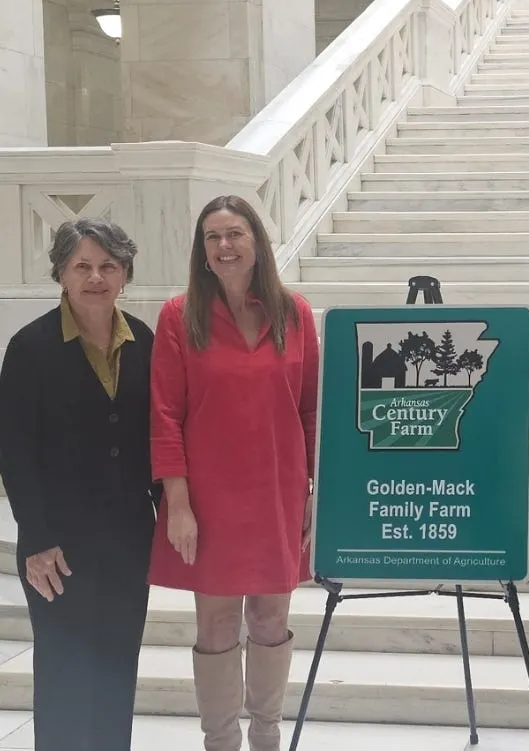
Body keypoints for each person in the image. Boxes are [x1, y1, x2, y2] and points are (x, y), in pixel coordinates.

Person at [149, 195, 319, 751]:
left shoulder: (295, 314)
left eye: (234, 234)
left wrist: (316, 494)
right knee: (217, 627)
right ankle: (220, 742)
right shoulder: (179, 315)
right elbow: (165, 413)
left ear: (256, 243)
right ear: (201, 251)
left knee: (271, 619)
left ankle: (267, 738)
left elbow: (311, 410)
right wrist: (178, 504)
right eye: (212, 238)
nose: (224, 247)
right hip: (210, 499)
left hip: (278, 489)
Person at [0, 218, 157, 751]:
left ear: (125, 273)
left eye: (108, 266)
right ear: (61, 274)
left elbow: (154, 440)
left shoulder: (145, 341)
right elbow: (14, 450)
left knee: (116, 668)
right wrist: (37, 540)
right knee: (65, 673)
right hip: (57, 548)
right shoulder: (30, 346)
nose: (96, 277)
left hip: (128, 541)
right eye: (82, 266)